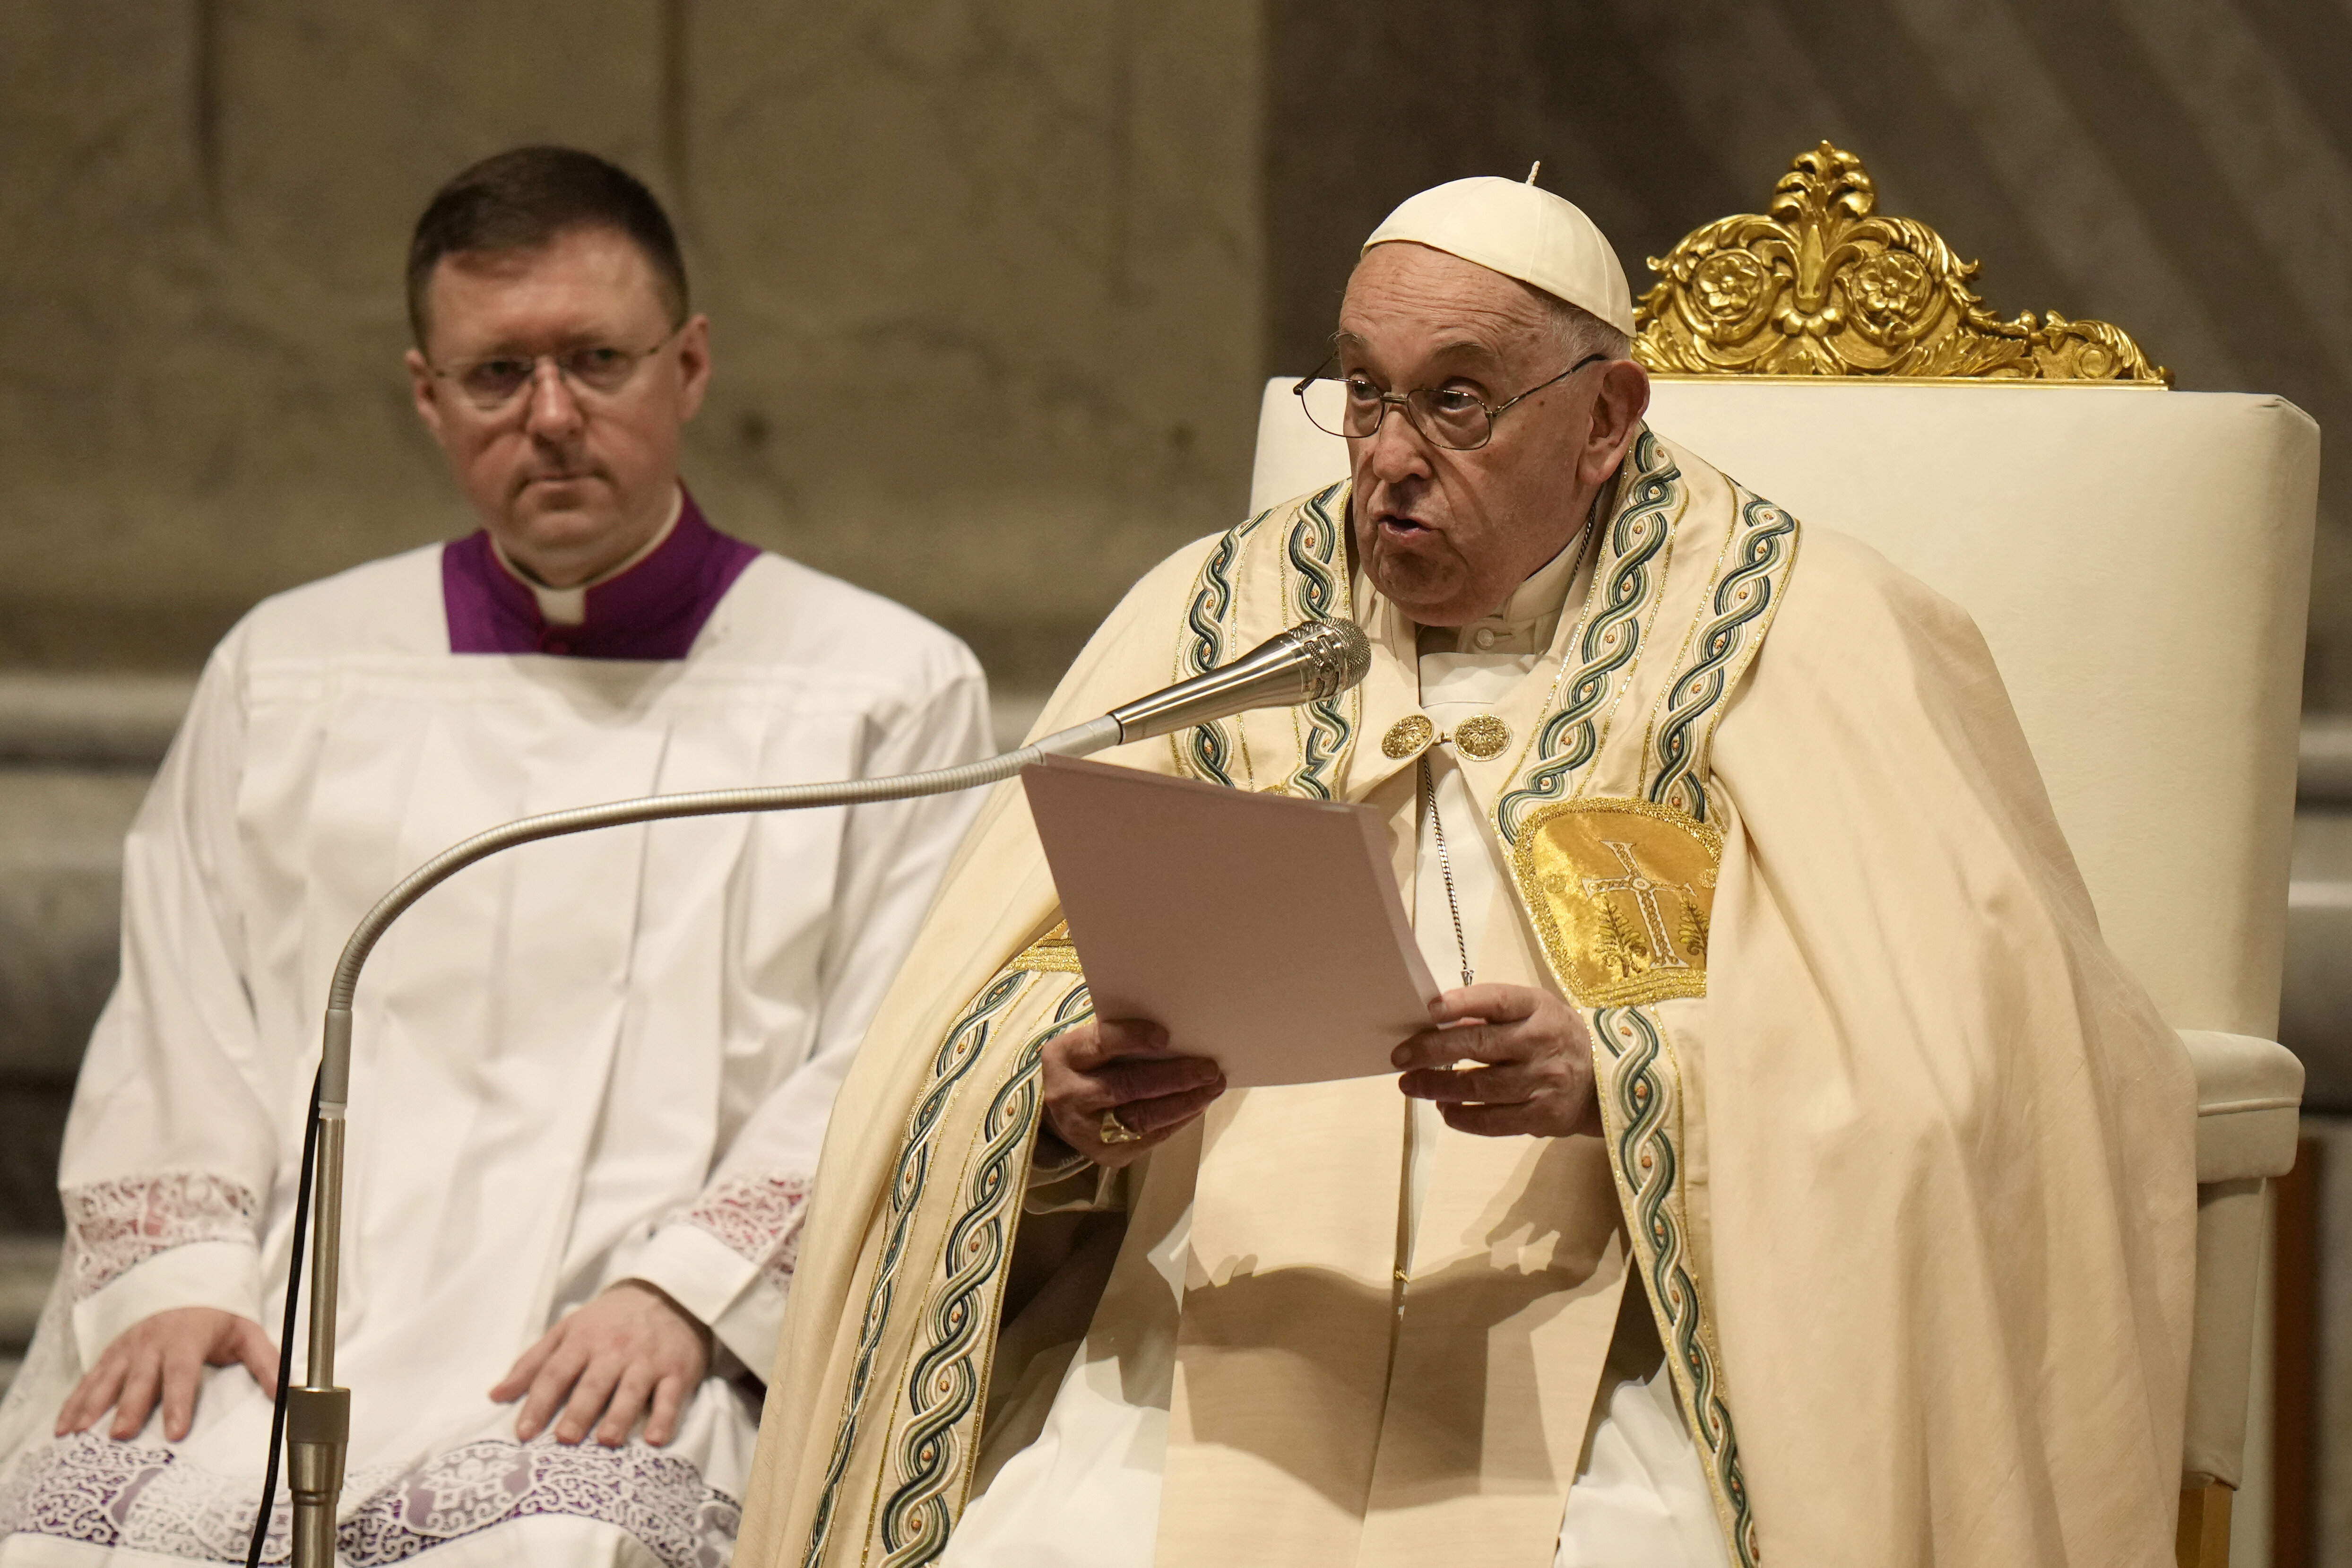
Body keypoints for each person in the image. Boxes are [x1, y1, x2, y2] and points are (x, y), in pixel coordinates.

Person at [731, 174, 2196, 1568]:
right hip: (1198, 1354)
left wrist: (1629, 1077)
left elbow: (1983, 1063)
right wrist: (1054, 1100)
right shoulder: (1216, 621)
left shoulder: (1800, 633)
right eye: (1361, 391)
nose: (1383, 455)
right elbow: (976, 1010)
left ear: (1607, 417)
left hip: (1632, 1363)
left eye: (1455, 401)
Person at [0, 147, 992, 1565]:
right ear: (426, 392)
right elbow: (181, 1009)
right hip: (284, 1326)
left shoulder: (883, 689)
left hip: (623, 1348)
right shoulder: (290, 670)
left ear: (691, 367)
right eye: (494, 376)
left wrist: (694, 1291)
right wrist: (181, 1278)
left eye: (598, 359)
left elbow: (898, 1044)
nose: (551, 418)